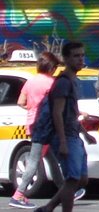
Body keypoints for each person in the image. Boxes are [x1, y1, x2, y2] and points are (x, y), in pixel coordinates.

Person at [11, 51, 75, 209]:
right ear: (52, 67)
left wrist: (32, 108)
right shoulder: (52, 83)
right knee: (34, 160)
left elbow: (21, 102)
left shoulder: (31, 81)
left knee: (52, 159)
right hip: (45, 124)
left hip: (33, 123)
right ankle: (18, 194)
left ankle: (65, 189)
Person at [32, 41, 87, 212]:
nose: (80, 59)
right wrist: (62, 142)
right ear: (66, 59)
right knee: (72, 179)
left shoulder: (74, 81)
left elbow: (73, 112)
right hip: (65, 137)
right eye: (76, 56)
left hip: (74, 135)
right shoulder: (63, 82)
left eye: (82, 55)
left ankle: (48, 207)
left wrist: (85, 133)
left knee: (82, 179)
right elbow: (57, 113)